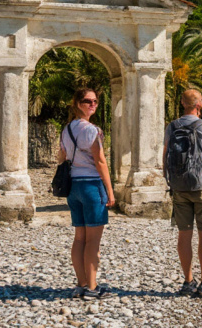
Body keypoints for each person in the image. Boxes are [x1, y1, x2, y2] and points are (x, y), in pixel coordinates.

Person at [163, 89, 202, 298]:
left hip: (179, 186)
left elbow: (165, 155)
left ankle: (188, 282)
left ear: (182, 103)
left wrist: (169, 180)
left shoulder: (172, 126)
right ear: (199, 104)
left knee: (184, 233)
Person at [57, 88, 115, 299]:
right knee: (93, 241)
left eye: (95, 101)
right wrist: (110, 191)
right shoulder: (93, 131)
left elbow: (61, 157)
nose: (92, 104)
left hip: (74, 187)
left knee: (79, 238)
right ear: (77, 103)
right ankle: (92, 288)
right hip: (91, 185)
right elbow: (100, 161)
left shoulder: (66, 129)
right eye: (87, 101)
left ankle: (81, 284)